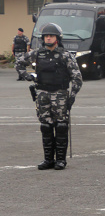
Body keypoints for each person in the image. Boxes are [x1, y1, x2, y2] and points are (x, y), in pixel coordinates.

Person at [15, 23, 82, 170]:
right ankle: (48, 160)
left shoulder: (65, 55)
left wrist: (72, 95)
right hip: (42, 94)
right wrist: (27, 76)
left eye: (51, 36)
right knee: (45, 126)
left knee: (61, 126)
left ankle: (60, 160)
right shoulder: (37, 54)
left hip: (60, 94)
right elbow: (19, 63)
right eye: (46, 36)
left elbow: (77, 78)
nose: (48, 38)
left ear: (57, 38)